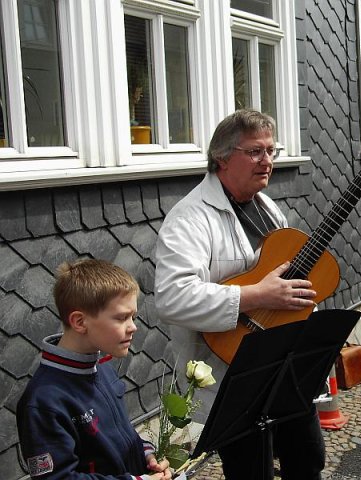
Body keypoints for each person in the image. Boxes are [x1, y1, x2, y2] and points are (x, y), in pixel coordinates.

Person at [154, 109, 324, 479]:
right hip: (231, 372)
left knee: (308, 456)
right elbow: (171, 298)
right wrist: (255, 296)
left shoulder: (267, 208)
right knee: (250, 471)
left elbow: (281, 277)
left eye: (271, 151)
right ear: (222, 158)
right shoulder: (190, 219)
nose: (267, 162)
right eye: (255, 152)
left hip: (281, 358)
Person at [16, 259, 171, 480]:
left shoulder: (101, 366)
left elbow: (121, 432)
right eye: (121, 318)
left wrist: (146, 454)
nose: (134, 326)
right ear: (79, 322)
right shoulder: (43, 403)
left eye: (133, 316)